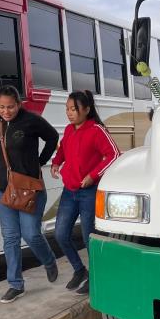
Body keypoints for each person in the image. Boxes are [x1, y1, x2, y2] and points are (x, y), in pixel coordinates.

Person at [0, 85, 60, 303]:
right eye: (2, 107)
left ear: (19, 104)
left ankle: (49, 261)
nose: (6, 111)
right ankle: (15, 284)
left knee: (31, 233)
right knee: (10, 237)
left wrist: (40, 162)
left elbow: (52, 137)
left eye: (11, 107)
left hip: (30, 187)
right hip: (2, 189)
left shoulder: (31, 121)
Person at [51, 90, 120, 295]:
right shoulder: (69, 130)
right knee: (60, 234)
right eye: (67, 109)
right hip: (70, 191)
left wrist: (93, 175)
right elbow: (63, 149)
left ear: (86, 110)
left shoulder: (96, 130)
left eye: (74, 109)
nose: (69, 113)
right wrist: (56, 163)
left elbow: (113, 154)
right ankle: (79, 271)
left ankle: (96, 277)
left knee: (90, 237)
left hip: (89, 192)